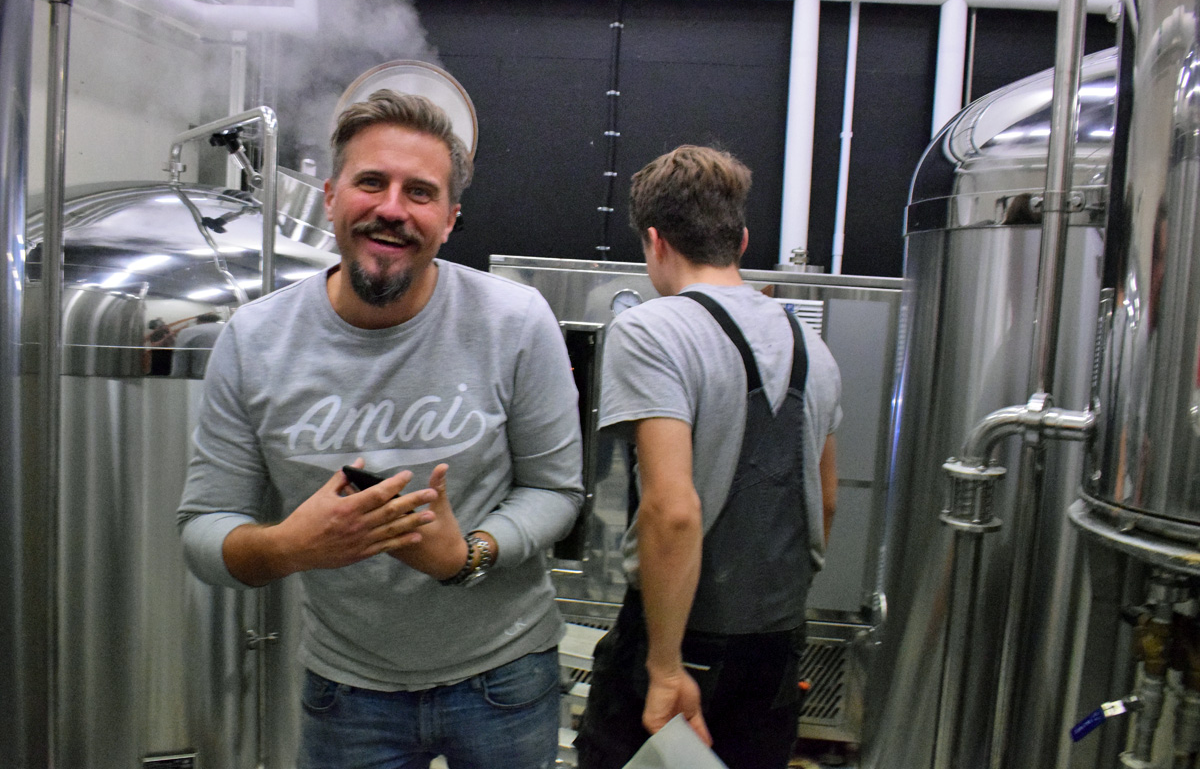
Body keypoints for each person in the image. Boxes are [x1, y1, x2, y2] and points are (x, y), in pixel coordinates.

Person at [177, 90, 583, 769]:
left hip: (505, 677)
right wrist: (288, 547)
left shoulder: (515, 321)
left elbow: (556, 491)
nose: (392, 207)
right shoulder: (255, 340)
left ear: (449, 220)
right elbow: (201, 529)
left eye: (420, 192)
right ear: (330, 197)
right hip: (348, 694)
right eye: (371, 182)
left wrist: (468, 555)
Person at [574, 145, 841, 769]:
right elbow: (826, 502)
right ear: (740, 240)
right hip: (777, 648)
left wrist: (666, 666)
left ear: (655, 240)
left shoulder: (653, 329)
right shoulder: (813, 347)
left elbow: (673, 511)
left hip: (682, 642)